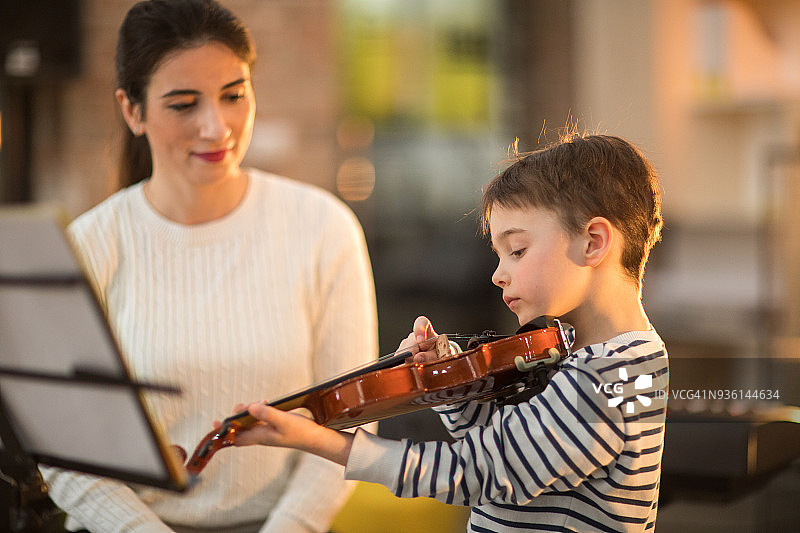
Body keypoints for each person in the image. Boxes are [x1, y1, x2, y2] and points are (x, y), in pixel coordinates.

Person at [40, 1, 378, 532]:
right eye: (183, 104)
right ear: (133, 111)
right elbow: (64, 447)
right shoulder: (91, 244)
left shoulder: (323, 228)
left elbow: (349, 422)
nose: (215, 126)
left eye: (233, 96)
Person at [228, 134, 670, 532]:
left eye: (517, 250)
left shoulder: (618, 372)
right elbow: (500, 447)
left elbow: (479, 472)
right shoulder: (577, 354)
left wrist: (323, 443)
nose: (499, 274)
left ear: (593, 241)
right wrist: (450, 381)